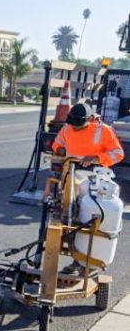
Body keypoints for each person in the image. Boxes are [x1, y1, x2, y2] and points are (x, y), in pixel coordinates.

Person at [51, 102, 125, 276]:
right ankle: (74, 253)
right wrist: (60, 150)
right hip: (71, 174)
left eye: (78, 124)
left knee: (86, 218)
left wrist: (97, 157)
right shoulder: (67, 128)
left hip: (94, 177)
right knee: (68, 216)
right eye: (72, 124)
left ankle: (83, 260)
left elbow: (118, 153)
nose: (74, 128)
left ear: (90, 119)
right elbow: (57, 143)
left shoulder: (102, 130)